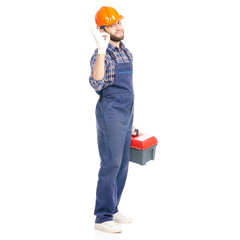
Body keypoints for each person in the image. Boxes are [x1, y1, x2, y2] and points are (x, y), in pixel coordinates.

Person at [89, 6, 135, 233]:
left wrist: (134, 118)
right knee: (111, 164)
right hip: (111, 114)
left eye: (119, 22)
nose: (119, 26)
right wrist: (100, 50)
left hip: (127, 113)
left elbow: (129, 89)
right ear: (103, 30)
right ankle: (102, 216)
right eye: (113, 24)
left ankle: (113, 209)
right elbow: (96, 82)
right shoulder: (103, 54)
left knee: (123, 164)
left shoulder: (126, 52)